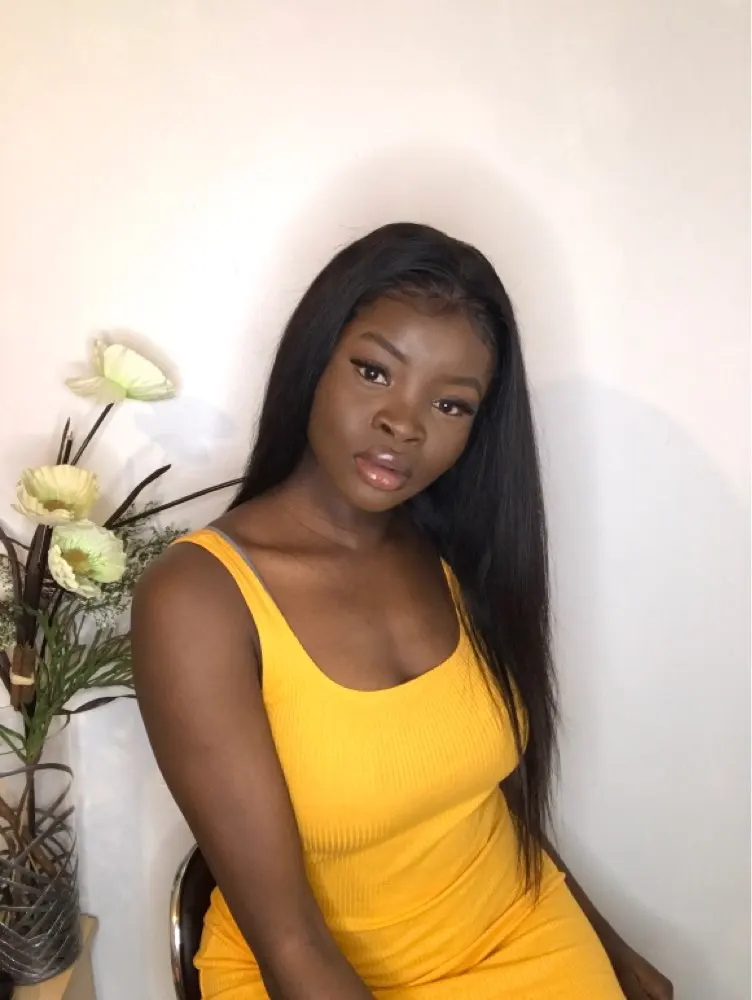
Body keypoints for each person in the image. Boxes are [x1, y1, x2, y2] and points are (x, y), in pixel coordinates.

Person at [132, 223, 673, 999]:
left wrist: (611, 949)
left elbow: (487, 806)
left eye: (451, 404)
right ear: (315, 359)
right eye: (373, 371)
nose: (405, 423)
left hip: (519, 933)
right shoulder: (200, 601)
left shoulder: (454, 553)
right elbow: (289, 946)